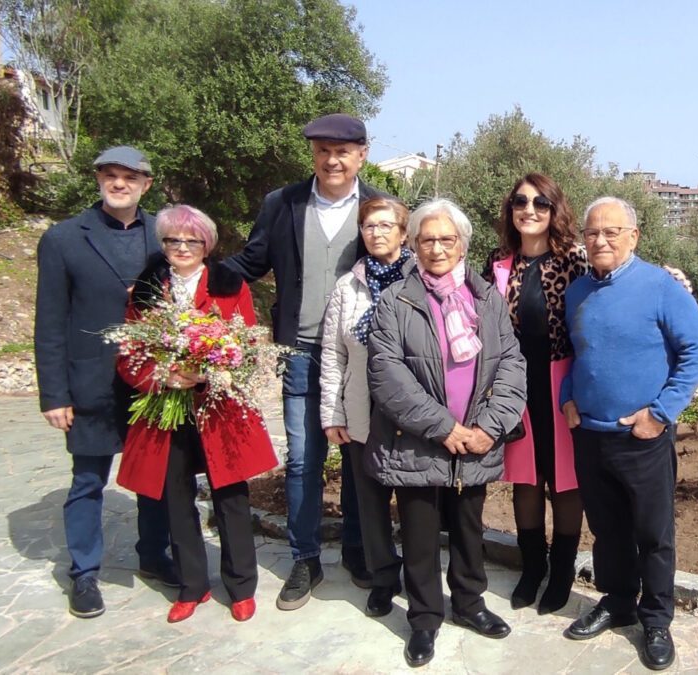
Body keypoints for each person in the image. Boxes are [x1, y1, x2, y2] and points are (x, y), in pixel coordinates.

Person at [224, 113, 391, 610]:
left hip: (362, 355)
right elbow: (252, 261)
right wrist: (193, 270)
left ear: (362, 153)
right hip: (299, 352)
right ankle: (305, 557)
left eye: (342, 151)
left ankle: (360, 552)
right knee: (303, 461)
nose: (332, 159)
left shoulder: (381, 208)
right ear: (313, 155)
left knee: (361, 458)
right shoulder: (284, 203)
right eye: (322, 150)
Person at [365, 199, 526, 667]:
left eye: (446, 239)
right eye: (427, 239)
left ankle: (470, 604)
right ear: (413, 245)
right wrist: (443, 427)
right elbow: (386, 373)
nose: (437, 248)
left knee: (469, 529)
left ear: (463, 245)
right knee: (418, 536)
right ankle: (423, 619)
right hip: (417, 442)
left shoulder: (485, 298)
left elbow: (513, 363)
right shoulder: (396, 300)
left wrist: (487, 428)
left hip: (475, 442)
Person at [560, 197, 698, 671]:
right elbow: (580, 353)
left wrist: (661, 414)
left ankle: (656, 618)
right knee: (608, 530)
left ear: (633, 236)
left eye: (611, 231)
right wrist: (568, 396)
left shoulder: (661, 287)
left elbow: (697, 353)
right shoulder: (577, 291)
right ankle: (618, 600)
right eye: (592, 233)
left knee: (653, 533)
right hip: (589, 433)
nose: (600, 240)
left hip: (643, 438)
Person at [115, 205, 278, 623]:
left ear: (207, 245)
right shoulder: (148, 288)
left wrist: (205, 371)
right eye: (173, 240)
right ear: (164, 245)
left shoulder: (228, 284)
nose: (182, 248)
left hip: (217, 407)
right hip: (165, 407)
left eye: (192, 241)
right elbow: (130, 352)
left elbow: (244, 343)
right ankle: (193, 586)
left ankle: (241, 586)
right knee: (175, 496)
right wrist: (162, 375)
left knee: (231, 497)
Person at [34, 145, 174, 619]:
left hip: (152, 382)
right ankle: (84, 573)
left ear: (146, 184)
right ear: (98, 179)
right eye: (110, 175)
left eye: (129, 177)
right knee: (88, 481)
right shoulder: (64, 239)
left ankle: (154, 556)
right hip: (90, 380)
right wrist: (54, 394)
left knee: (152, 480)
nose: (119, 184)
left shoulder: (165, 236)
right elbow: (50, 322)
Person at [483, 174, 587, 614]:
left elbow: (617, 282)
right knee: (524, 480)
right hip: (515, 386)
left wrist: (675, 280)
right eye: (521, 202)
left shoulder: (575, 260)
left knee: (565, 482)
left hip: (565, 384)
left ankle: (561, 573)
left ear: (554, 209)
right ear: (511, 210)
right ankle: (532, 569)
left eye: (540, 202)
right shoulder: (498, 263)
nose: (530, 209)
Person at [319, 197, 413, 618]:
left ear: (403, 233)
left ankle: (420, 576)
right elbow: (333, 355)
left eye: (386, 225)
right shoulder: (347, 286)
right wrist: (332, 414)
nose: (376, 233)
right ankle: (382, 577)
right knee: (370, 503)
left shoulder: (422, 280)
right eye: (369, 226)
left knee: (416, 503)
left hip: (413, 413)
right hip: (361, 410)